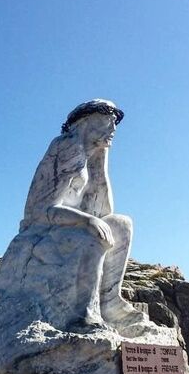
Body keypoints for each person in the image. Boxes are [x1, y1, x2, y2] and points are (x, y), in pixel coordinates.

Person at [15, 99, 145, 330]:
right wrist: (86, 220)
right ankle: (84, 313)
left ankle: (110, 300)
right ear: (85, 122)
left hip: (71, 225)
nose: (113, 129)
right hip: (43, 229)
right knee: (92, 235)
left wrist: (101, 162)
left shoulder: (91, 155)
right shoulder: (66, 147)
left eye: (114, 123)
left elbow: (104, 211)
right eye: (106, 121)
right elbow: (42, 210)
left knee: (122, 223)